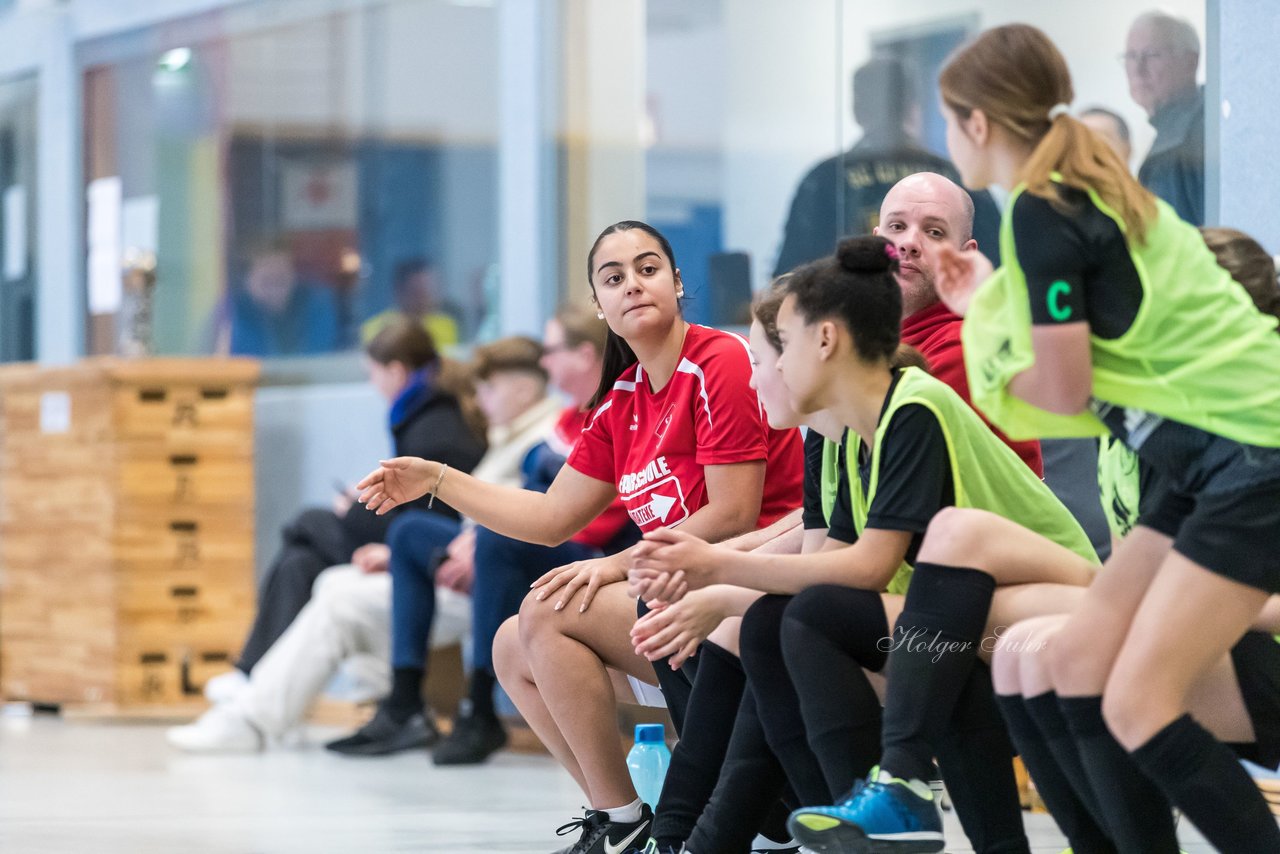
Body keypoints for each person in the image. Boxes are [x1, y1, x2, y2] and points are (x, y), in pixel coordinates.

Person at [820, 23, 1280, 853]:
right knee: (1069, 665)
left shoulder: (1045, 208)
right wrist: (989, 304)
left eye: (949, 120)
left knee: (1135, 697)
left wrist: (986, 329)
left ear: (979, 124)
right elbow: (1086, 374)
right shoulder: (1074, 194)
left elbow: (1055, 398)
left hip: (1244, 451)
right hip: (1198, 456)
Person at [631, 237, 1097, 853]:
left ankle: (878, 797)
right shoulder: (852, 433)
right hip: (955, 627)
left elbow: (869, 567)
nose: (758, 371)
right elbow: (837, 567)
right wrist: (723, 584)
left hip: (1033, 615)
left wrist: (718, 569)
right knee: (779, 623)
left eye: (777, 346)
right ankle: (821, 823)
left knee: (806, 620)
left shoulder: (915, 407)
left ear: (825, 341)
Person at [357, 220, 804, 854]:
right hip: (672, 596)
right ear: (600, 304)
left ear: (678, 283)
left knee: (545, 613)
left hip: (747, 584)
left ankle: (631, 824)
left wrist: (617, 565)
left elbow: (733, 514)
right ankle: (619, 815)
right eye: (613, 278)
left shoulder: (719, 361)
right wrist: (437, 480)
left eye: (648, 269)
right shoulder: (621, 399)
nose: (633, 286)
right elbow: (550, 517)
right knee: (512, 644)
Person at [987, 226, 1280, 853]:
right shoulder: (1163, 422)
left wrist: (1188, 606)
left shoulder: (1252, 428)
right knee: (1030, 649)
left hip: (1257, 641)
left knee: (1096, 668)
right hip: (1219, 631)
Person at [324, 308, 637, 762]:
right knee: (410, 530)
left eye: (550, 351)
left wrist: (489, 531)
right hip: (527, 534)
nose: (544, 362)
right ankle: (406, 701)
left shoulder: (618, 414)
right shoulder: (565, 422)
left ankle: (480, 708)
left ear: (585, 355)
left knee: (494, 540)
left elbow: (590, 513)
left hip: (591, 550)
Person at [203, 318, 487, 704]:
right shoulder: (425, 412)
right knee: (299, 563)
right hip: (408, 534)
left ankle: (252, 677)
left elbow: (422, 517)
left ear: (396, 371)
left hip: (419, 545)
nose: (373, 384)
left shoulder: (433, 427)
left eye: (373, 374)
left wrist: (354, 510)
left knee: (307, 524)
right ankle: (254, 681)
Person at [773, 57, 999, 277]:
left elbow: (792, 276)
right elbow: (996, 270)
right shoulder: (958, 177)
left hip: (848, 311)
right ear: (913, 106)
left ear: (857, 109)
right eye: (897, 227)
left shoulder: (824, 178)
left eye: (934, 232)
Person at [1124, 10, 1204, 224]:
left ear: (1190, 62)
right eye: (1131, 56)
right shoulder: (1171, 133)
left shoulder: (1202, 131)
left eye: (1152, 55)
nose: (1138, 70)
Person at [223, 239, 344, 356]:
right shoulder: (229, 316)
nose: (275, 289)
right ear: (247, 282)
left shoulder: (316, 307)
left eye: (281, 280)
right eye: (267, 281)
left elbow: (320, 359)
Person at [361, 257, 461, 348]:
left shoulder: (448, 326)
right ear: (399, 291)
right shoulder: (374, 329)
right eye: (417, 292)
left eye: (429, 291)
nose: (425, 299)